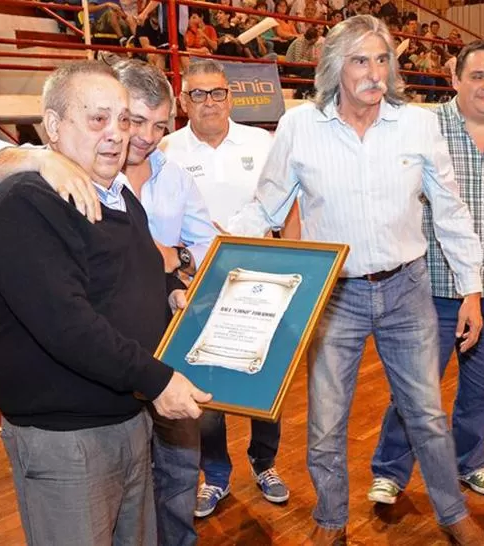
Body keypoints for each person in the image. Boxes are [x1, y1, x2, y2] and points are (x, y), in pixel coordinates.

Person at [226, 14, 484, 546]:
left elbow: (451, 209)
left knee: (426, 414)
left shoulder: (418, 125)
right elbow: (265, 207)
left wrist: (472, 289)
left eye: (382, 59)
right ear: (334, 67)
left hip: (406, 289)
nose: (375, 72)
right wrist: (218, 256)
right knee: (325, 422)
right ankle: (330, 521)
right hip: (334, 294)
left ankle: (452, 512)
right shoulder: (300, 127)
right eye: (360, 60)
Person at [0, 59, 218, 546]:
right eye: (98, 119)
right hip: (67, 439)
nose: (117, 133)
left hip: (127, 419)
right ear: (54, 126)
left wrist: (169, 292)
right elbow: (68, 324)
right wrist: (156, 380)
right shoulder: (27, 200)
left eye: (123, 119)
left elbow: (136, 272)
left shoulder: (120, 197)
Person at [369, 40, 484, 503]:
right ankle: (390, 471)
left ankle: (470, 462)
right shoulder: (423, 130)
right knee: (415, 390)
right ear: (455, 78)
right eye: (477, 76)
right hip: (431, 288)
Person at [159, 59, 297, 519]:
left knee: (266, 377)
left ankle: (265, 462)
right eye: (198, 94)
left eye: (217, 92)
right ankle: (215, 474)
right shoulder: (166, 150)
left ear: (231, 97)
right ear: (184, 101)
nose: (209, 102)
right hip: (195, 289)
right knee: (206, 389)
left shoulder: (262, 143)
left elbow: (287, 209)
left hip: (263, 285)